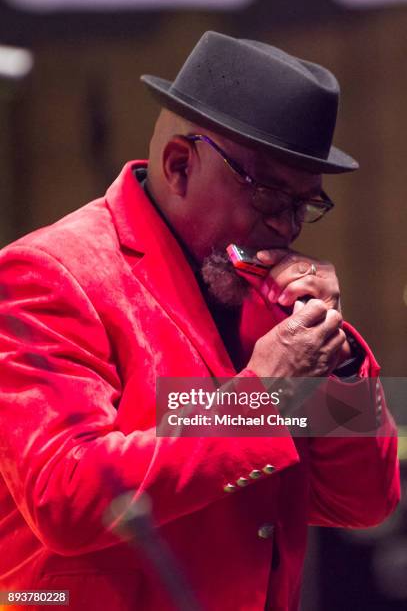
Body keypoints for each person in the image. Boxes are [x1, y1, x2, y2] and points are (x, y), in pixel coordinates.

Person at [0, 30, 400, 611]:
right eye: (268, 196)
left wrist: (337, 365)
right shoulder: (48, 274)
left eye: (303, 206)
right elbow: (69, 495)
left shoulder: (261, 299)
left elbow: (361, 503)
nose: (287, 229)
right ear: (180, 164)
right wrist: (261, 394)